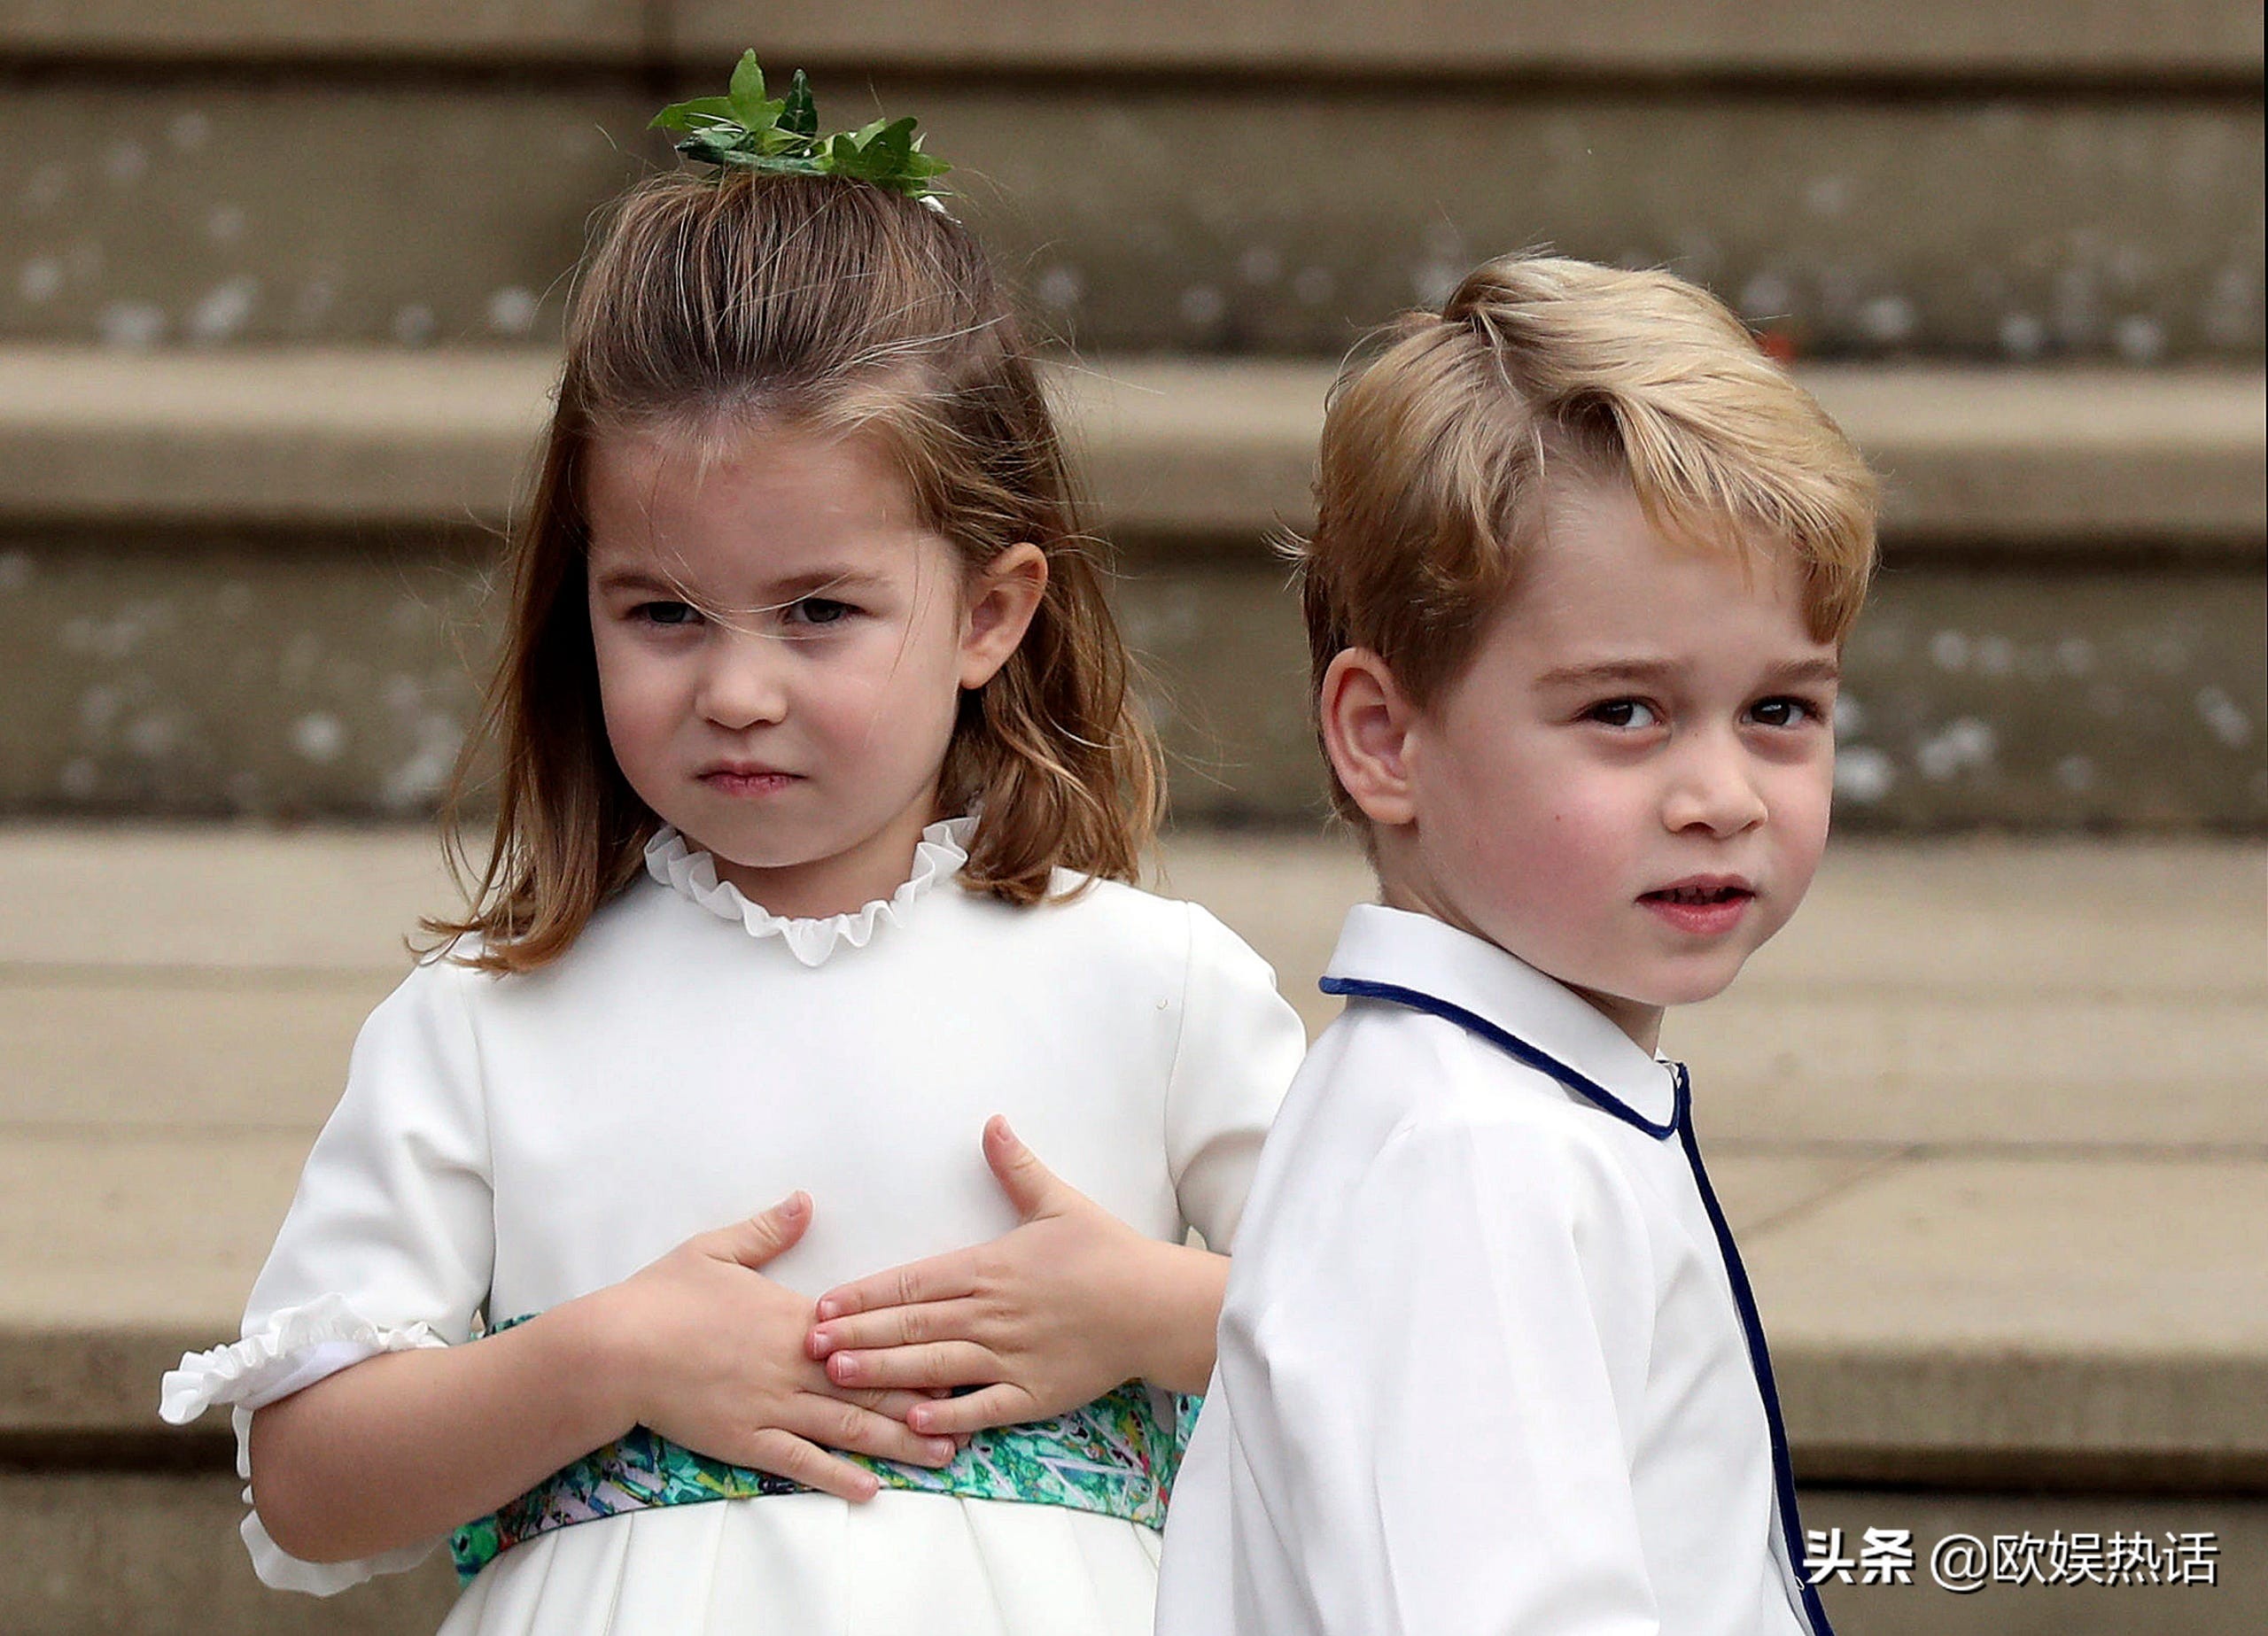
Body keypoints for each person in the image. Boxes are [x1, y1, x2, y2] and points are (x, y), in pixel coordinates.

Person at [159, 61, 1305, 1636]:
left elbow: (1411, 1339)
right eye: (664, 613)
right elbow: (307, 1484)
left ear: (990, 612)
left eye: (820, 611)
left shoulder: (1153, 986)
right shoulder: (491, 1028)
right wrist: (606, 1356)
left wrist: (1161, 1312)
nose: (737, 690)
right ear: (585, 604)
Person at [1153, 254, 1879, 1635]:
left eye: (1780, 712)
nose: (1721, 795)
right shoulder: (1475, 1154)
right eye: (1624, 712)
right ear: (1384, 738)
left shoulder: (1499, 1104)